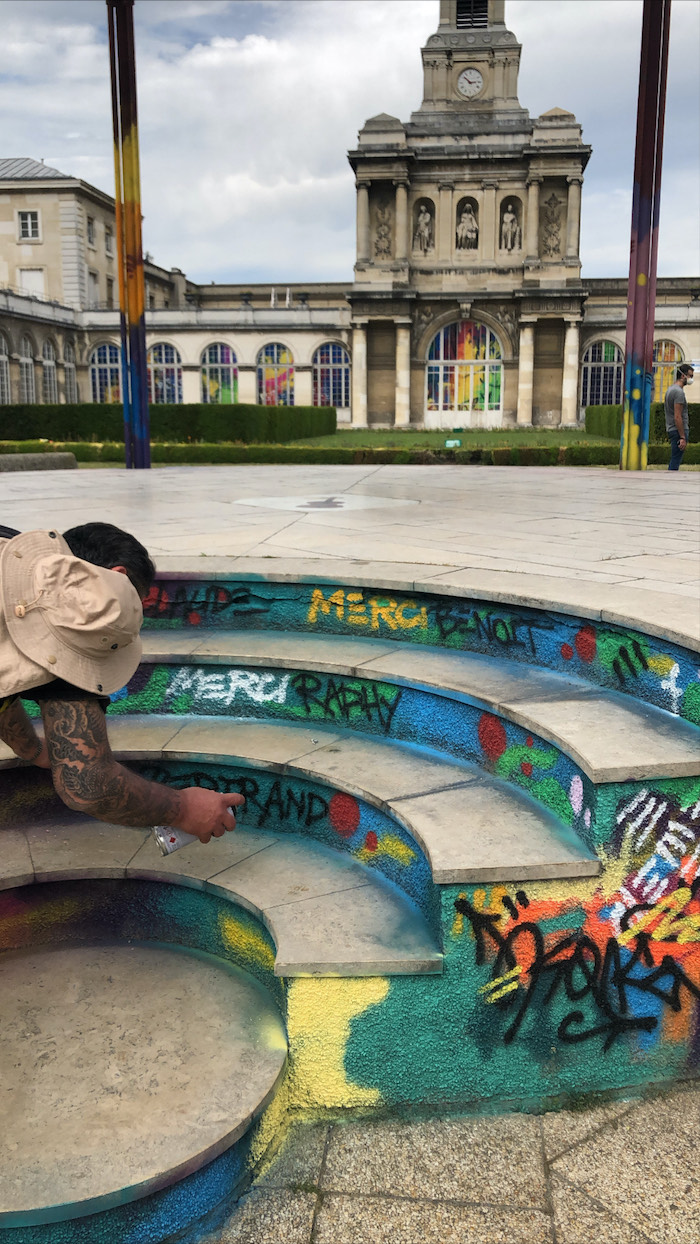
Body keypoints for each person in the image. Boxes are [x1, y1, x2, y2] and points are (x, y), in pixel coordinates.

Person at [0, 523, 244, 843]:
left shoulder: (14, 560)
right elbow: (88, 786)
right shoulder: (77, 618)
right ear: (119, 579)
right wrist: (183, 809)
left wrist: (31, 749)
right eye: (133, 606)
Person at [664, 363, 693, 470]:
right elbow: (677, 416)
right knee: (675, 460)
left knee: (675, 458)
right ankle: (669, 483)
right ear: (683, 376)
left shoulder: (670, 389)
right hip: (678, 430)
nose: (691, 379)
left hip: (672, 429)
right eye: (690, 376)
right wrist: (682, 437)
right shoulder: (679, 393)